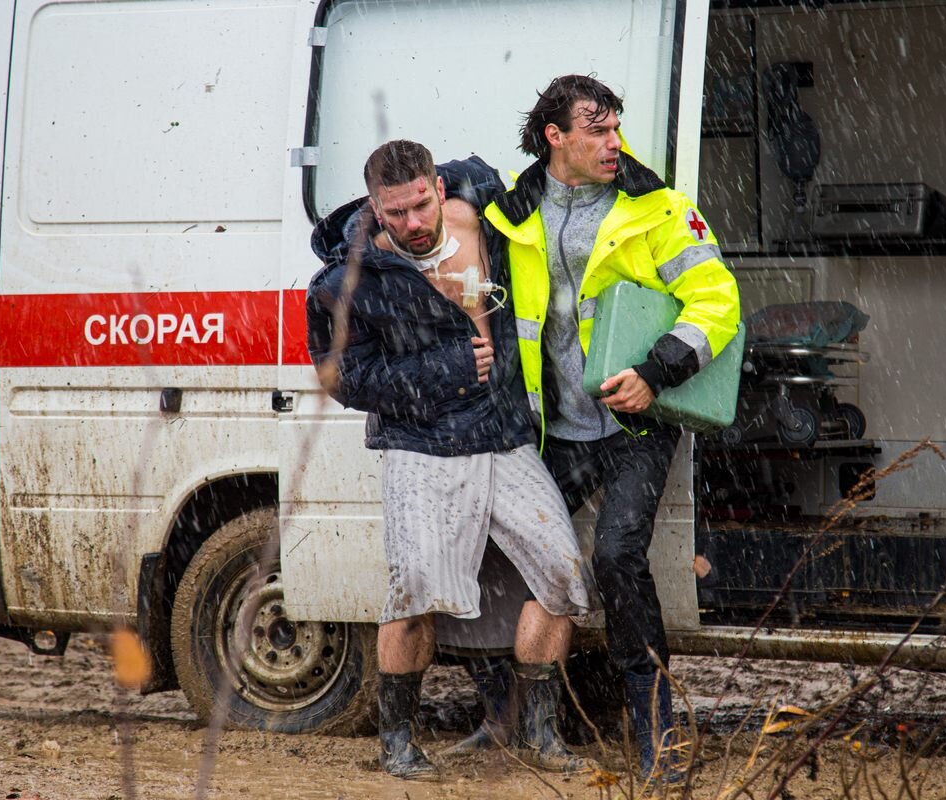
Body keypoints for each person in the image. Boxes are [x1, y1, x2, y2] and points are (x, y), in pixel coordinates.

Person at [306, 140, 595, 781]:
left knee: (564, 574)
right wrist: (448, 370)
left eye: (418, 206)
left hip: (507, 433)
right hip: (424, 444)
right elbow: (342, 377)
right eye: (394, 213)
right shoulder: (349, 279)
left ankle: (539, 730)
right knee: (414, 595)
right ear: (373, 209)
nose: (411, 224)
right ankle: (398, 742)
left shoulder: (490, 212)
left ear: (438, 188)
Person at [484, 75, 741, 784]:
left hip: (638, 424)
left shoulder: (657, 207)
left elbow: (718, 301)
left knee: (619, 558)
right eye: (596, 129)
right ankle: (505, 721)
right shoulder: (511, 212)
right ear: (554, 137)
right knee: (503, 552)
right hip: (554, 431)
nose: (613, 143)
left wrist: (657, 372)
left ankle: (657, 735)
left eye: (616, 128)